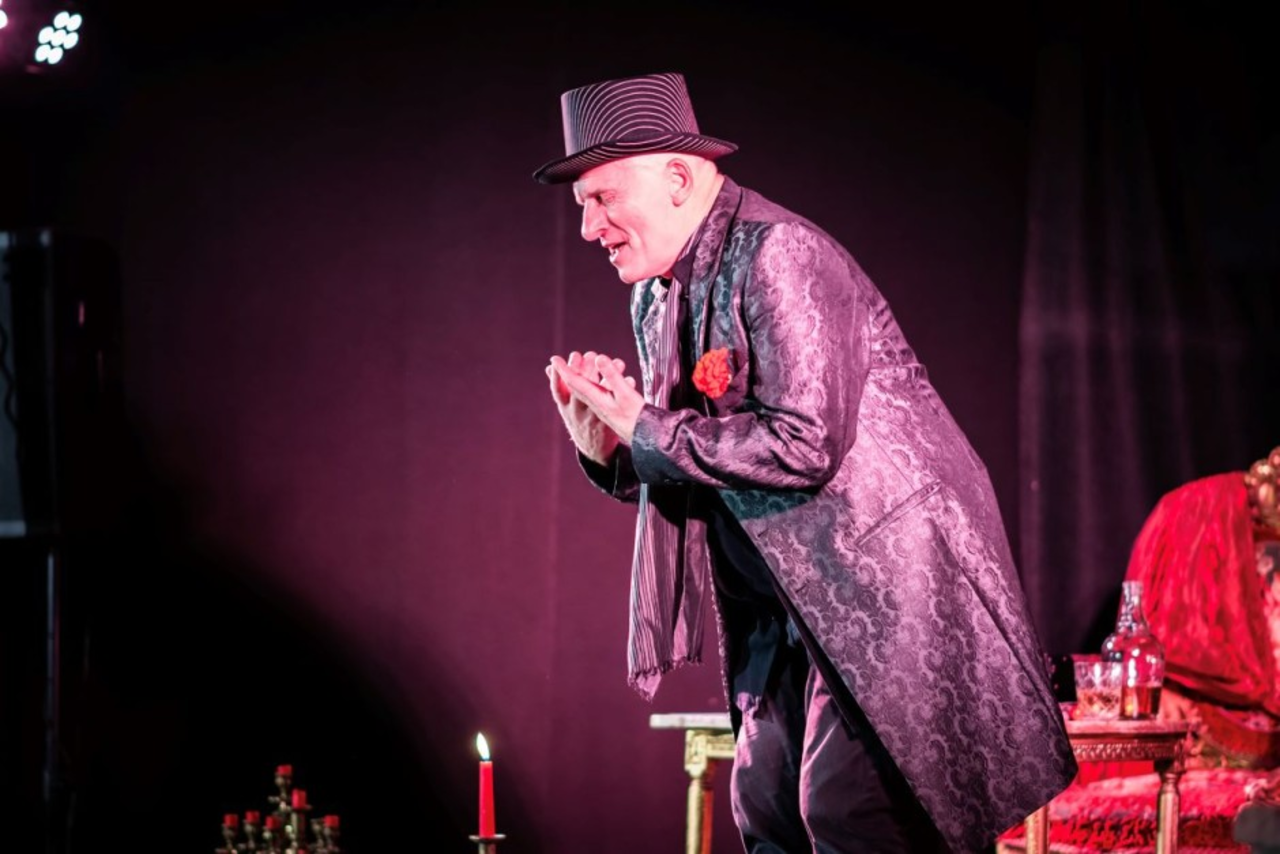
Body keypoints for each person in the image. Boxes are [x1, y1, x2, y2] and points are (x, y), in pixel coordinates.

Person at [538, 71, 1076, 854]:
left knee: (852, 820)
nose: (589, 227)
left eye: (601, 199)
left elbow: (804, 444)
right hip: (777, 605)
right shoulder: (655, 294)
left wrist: (645, 425)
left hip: (880, 594)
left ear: (677, 179)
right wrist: (614, 450)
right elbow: (701, 459)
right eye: (582, 205)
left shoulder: (779, 254)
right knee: (767, 811)